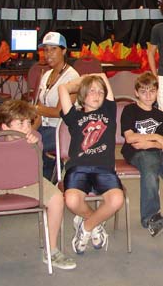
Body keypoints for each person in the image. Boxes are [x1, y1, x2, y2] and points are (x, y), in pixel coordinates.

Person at [0, 100, 76, 278]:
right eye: (20, 123)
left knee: (56, 199)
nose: (27, 128)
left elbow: (35, 163)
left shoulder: (33, 138)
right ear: (5, 127)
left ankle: (51, 250)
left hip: (26, 182)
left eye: (28, 123)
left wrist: (35, 145)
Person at [58, 73, 124, 255]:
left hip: (104, 169)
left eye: (100, 92)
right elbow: (63, 88)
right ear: (83, 94)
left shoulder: (108, 111)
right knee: (71, 200)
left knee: (117, 199)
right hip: (78, 168)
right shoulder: (74, 117)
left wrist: (93, 80)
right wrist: (81, 82)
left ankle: (86, 226)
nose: (97, 95)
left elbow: (102, 75)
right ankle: (95, 223)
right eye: (92, 91)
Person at [121, 72, 163, 237]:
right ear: (136, 93)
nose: (148, 95)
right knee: (150, 167)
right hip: (137, 153)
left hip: (156, 152)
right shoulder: (130, 110)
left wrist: (150, 142)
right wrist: (156, 138)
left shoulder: (160, 115)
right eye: (143, 91)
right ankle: (151, 218)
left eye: (152, 91)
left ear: (157, 92)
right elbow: (130, 138)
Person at [34, 31, 80, 180]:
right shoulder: (46, 75)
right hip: (46, 128)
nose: (48, 54)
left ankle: (47, 183)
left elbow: (60, 112)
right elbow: (40, 111)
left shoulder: (72, 77)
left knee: (32, 145)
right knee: (23, 139)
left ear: (64, 51)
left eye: (53, 49)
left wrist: (35, 108)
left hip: (62, 130)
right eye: (46, 50)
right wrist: (31, 130)